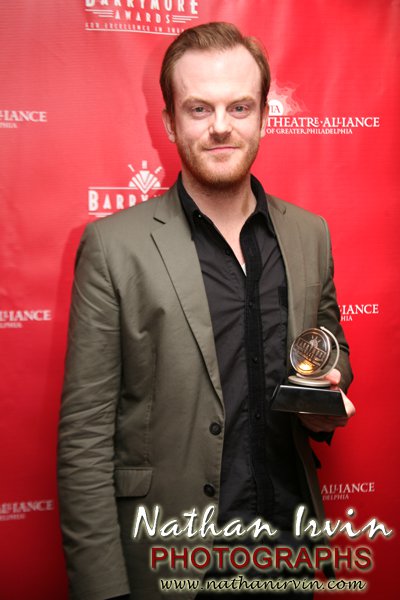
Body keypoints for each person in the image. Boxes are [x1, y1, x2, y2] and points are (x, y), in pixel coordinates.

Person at [58, 22, 355, 600]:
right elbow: (85, 440)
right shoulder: (113, 247)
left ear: (265, 115)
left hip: (289, 556)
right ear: (169, 121)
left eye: (239, 106)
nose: (221, 126)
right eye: (198, 108)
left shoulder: (309, 233)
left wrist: (328, 389)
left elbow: (329, 341)